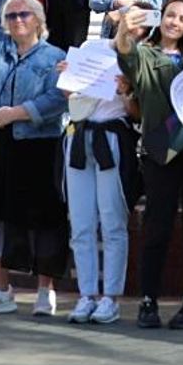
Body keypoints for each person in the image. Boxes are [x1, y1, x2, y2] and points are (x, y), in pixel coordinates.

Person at [0, 0, 68, 317]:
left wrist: (18, 112)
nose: (17, 20)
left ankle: (44, 291)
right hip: (0, 143)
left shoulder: (54, 57)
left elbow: (57, 98)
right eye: (10, 15)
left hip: (39, 144)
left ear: (37, 20)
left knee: (45, 217)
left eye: (24, 14)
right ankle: (0, 288)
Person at [118, 3, 183, 331]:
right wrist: (124, 28)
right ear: (161, 18)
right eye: (171, 15)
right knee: (157, 226)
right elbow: (127, 55)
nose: (175, 22)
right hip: (161, 151)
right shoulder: (147, 55)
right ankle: (148, 301)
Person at [57, 41, 139, 326]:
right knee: (81, 223)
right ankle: (87, 294)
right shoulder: (93, 47)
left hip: (112, 137)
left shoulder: (138, 55)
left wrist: (126, 91)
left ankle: (111, 297)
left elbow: (137, 112)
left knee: (112, 221)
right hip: (80, 135)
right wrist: (68, 78)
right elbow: (71, 97)